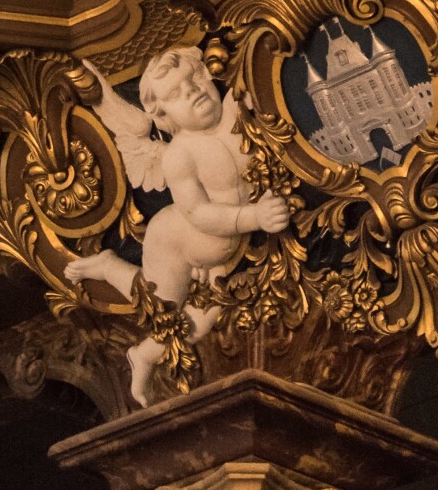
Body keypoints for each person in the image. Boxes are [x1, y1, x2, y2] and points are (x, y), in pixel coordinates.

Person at [65, 48, 289, 405]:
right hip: (175, 244)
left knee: (199, 322)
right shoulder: (179, 154)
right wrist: (254, 218)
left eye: (195, 77)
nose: (191, 90)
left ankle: (142, 347)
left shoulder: (235, 106)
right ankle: (114, 280)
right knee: (172, 317)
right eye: (173, 93)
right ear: (162, 113)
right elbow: (198, 213)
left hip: (224, 252)